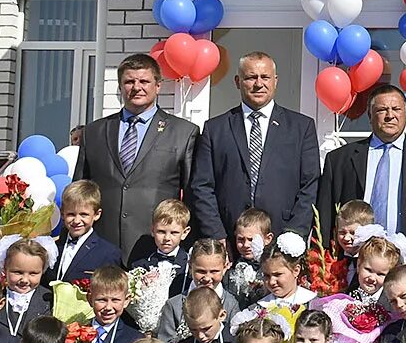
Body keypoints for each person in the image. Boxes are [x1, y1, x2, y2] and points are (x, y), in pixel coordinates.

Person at [74, 53, 198, 254]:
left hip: (156, 246)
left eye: (144, 81)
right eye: (129, 81)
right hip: (101, 245)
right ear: (120, 86)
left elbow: (192, 196)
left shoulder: (184, 132)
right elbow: (79, 192)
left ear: (158, 86)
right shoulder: (94, 132)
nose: (137, 87)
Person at [189, 52, 320, 239]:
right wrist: (217, 236)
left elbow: (310, 185)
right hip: (230, 239)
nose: (259, 84)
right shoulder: (215, 129)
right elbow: (202, 187)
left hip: (281, 238)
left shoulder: (301, 127)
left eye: (265, 77)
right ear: (237, 81)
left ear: (275, 81)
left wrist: (293, 235)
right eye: (251, 77)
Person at [316, 83, 406, 256]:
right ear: (370, 115)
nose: (390, 116)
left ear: (405, 113)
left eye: (396, 109)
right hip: (352, 264)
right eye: (382, 110)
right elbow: (325, 217)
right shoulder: (339, 159)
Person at [52, 180, 125, 285]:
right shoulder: (53, 247)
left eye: (83, 214)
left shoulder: (109, 253)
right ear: (62, 213)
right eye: (71, 214)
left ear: (96, 214)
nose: (77, 221)